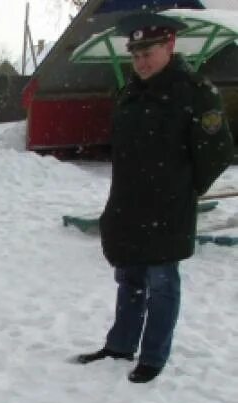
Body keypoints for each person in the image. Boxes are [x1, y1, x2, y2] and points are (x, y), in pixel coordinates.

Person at [77, 12, 234, 383]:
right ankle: (120, 345)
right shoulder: (130, 92)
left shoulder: (195, 92)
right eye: (135, 54)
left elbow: (217, 153)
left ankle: (153, 356)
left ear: (170, 47)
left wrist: (182, 188)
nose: (141, 61)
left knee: (162, 284)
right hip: (128, 204)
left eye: (149, 53)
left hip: (168, 208)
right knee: (129, 278)